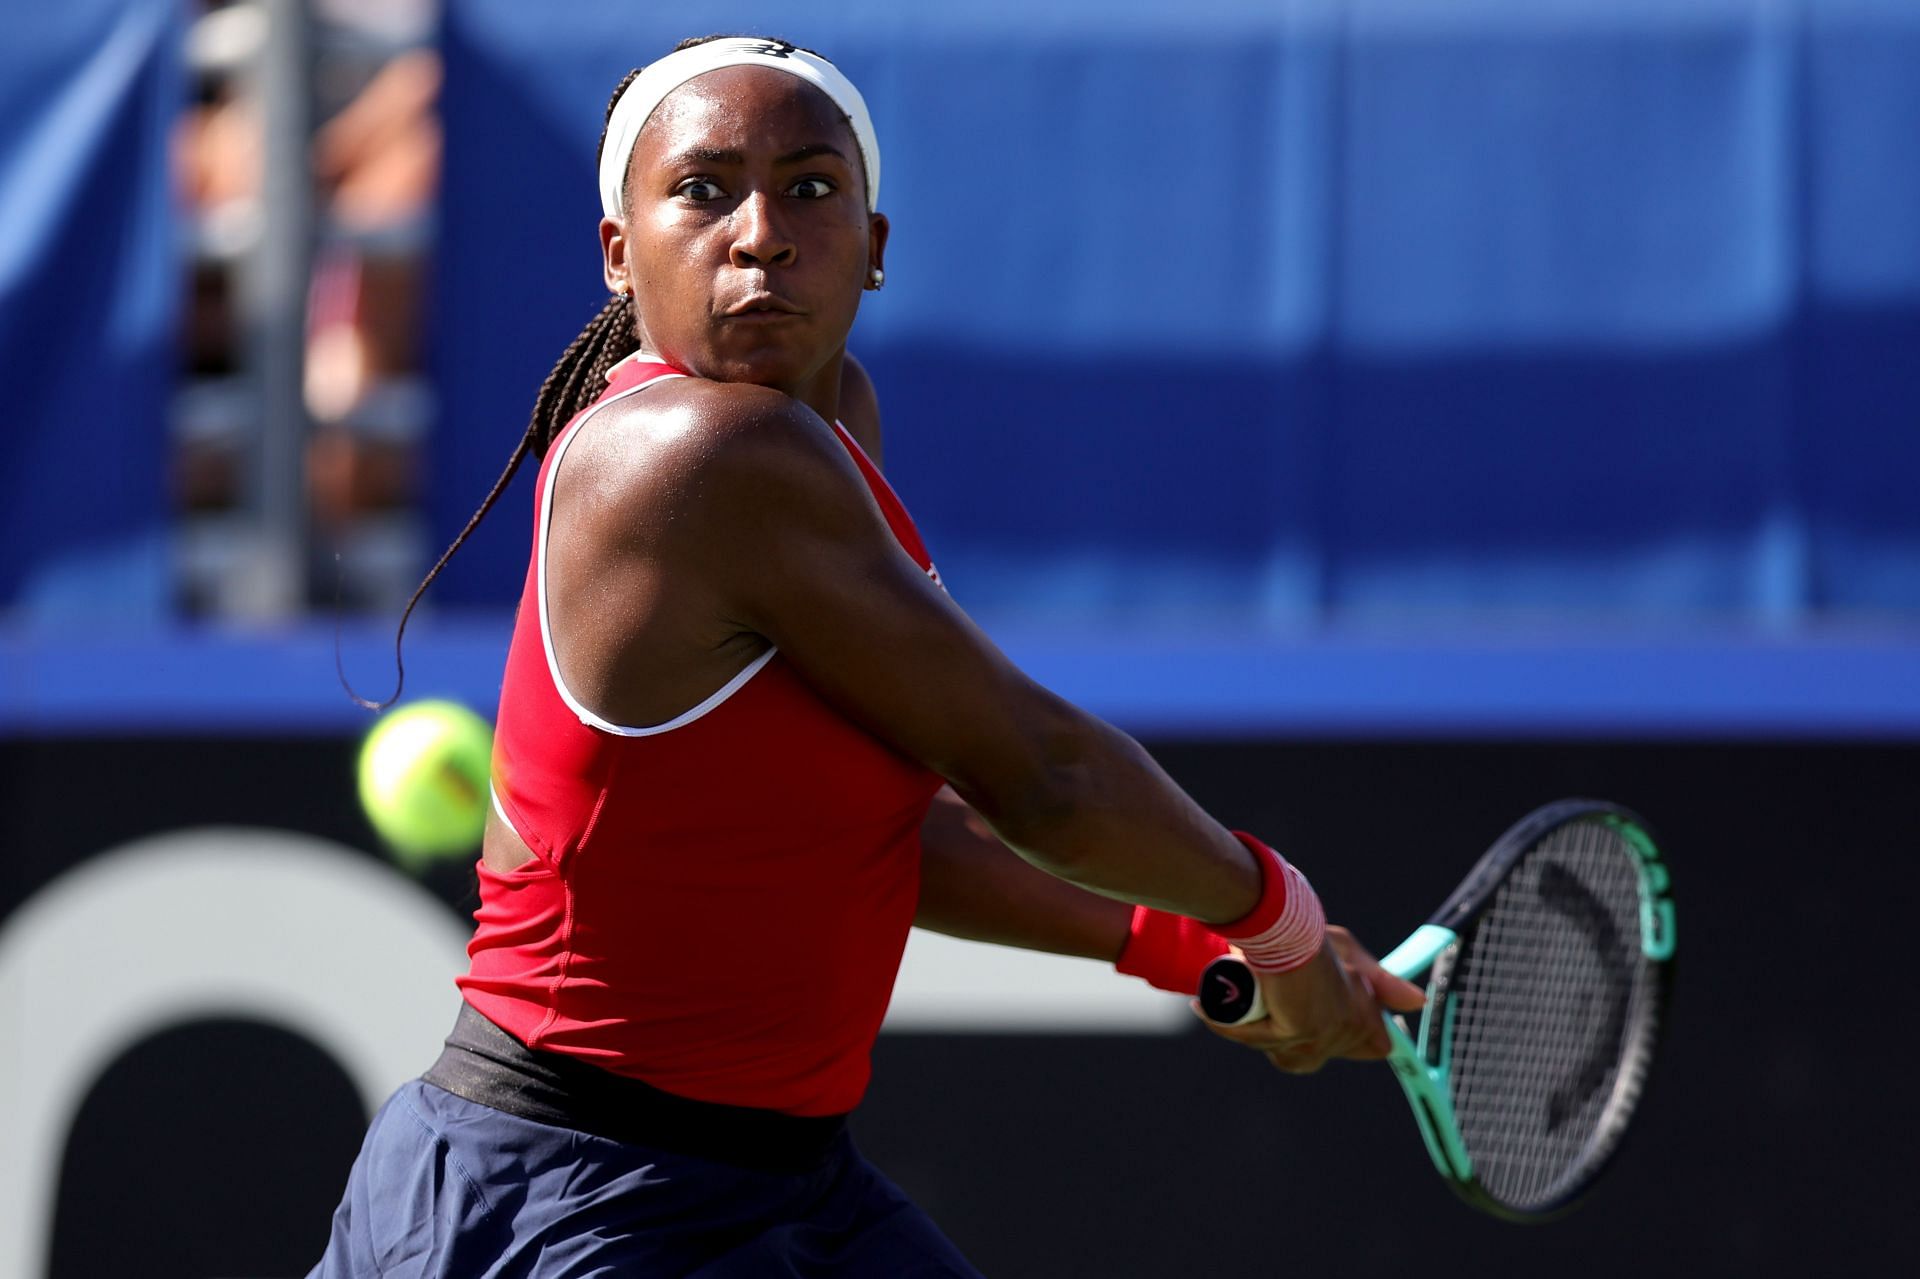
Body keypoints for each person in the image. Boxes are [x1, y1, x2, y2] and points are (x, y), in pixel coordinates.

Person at [314, 34, 1423, 1277]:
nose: (761, 232)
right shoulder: (701, 455)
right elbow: (1040, 772)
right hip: (562, 1196)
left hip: (785, 1185)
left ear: (874, 248)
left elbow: (902, 833)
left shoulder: (830, 430)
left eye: (810, 188)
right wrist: (1273, 916)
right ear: (619, 256)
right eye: (702, 189)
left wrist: (1193, 941)